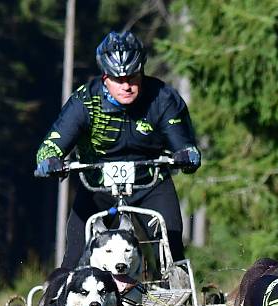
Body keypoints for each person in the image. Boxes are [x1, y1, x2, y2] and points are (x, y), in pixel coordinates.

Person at [35, 30, 201, 268]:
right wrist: (49, 159)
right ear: (105, 77)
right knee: (74, 256)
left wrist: (188, 154)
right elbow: (50, 146)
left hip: (151, 183)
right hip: (97, 187)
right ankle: (58, 299)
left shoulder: (162, 98)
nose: (126, 86)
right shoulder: (85, 101)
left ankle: (180, 298)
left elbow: (183, 143)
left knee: (171, 248)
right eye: (118, 79)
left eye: (132, 77)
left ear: (141, 72)